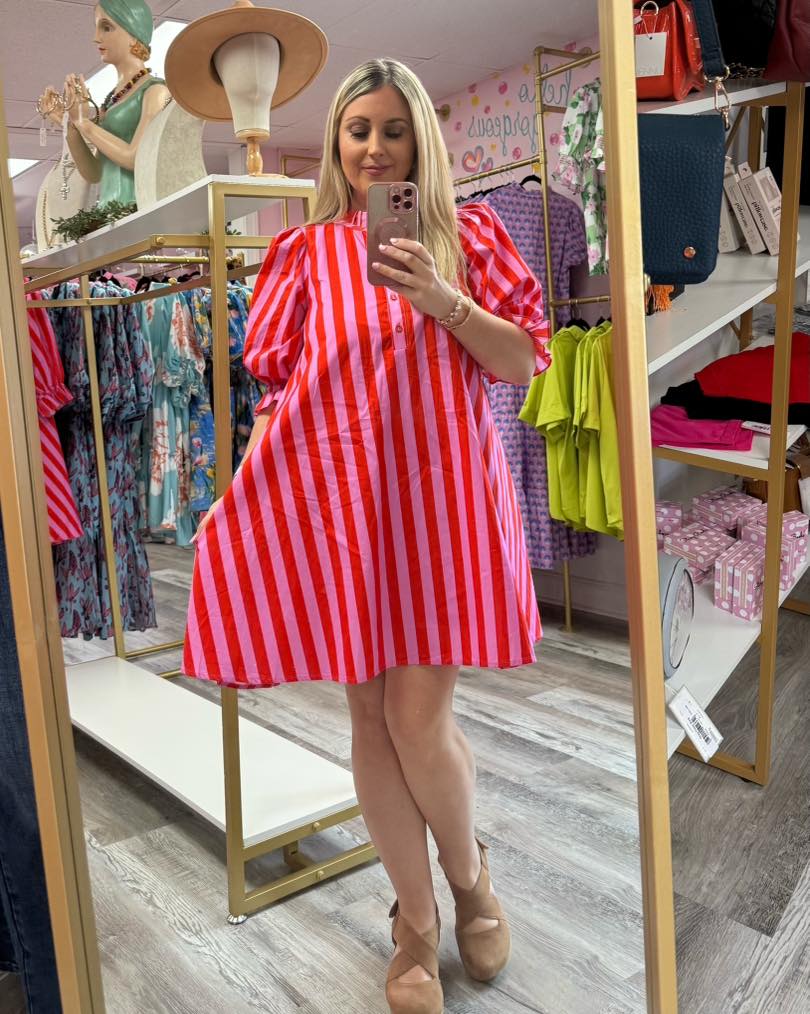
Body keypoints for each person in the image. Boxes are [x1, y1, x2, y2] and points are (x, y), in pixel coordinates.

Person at [184, 58, 551, 1014]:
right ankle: (417, 922)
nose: (376, 149)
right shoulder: (303, 255)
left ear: (420, 138)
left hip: (443, 510)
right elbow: (279, 398)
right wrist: (238, 497)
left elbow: (522, 362)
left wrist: (443, 300)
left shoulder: (469, 239)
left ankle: (471, 882)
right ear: (337, 145)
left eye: (393, 130)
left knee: (418, 719)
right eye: (359, 131)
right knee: (368, 720)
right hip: (346, 515)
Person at [37, 0, 169, 208]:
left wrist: (84, 123)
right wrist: (70, 124)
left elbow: (137, 159)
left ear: (133, 35)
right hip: (108, 214)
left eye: (106, 28)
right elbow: (95, 173)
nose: (96, 37)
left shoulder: (156, 92)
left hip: (138, 210)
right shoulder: (110, 101)